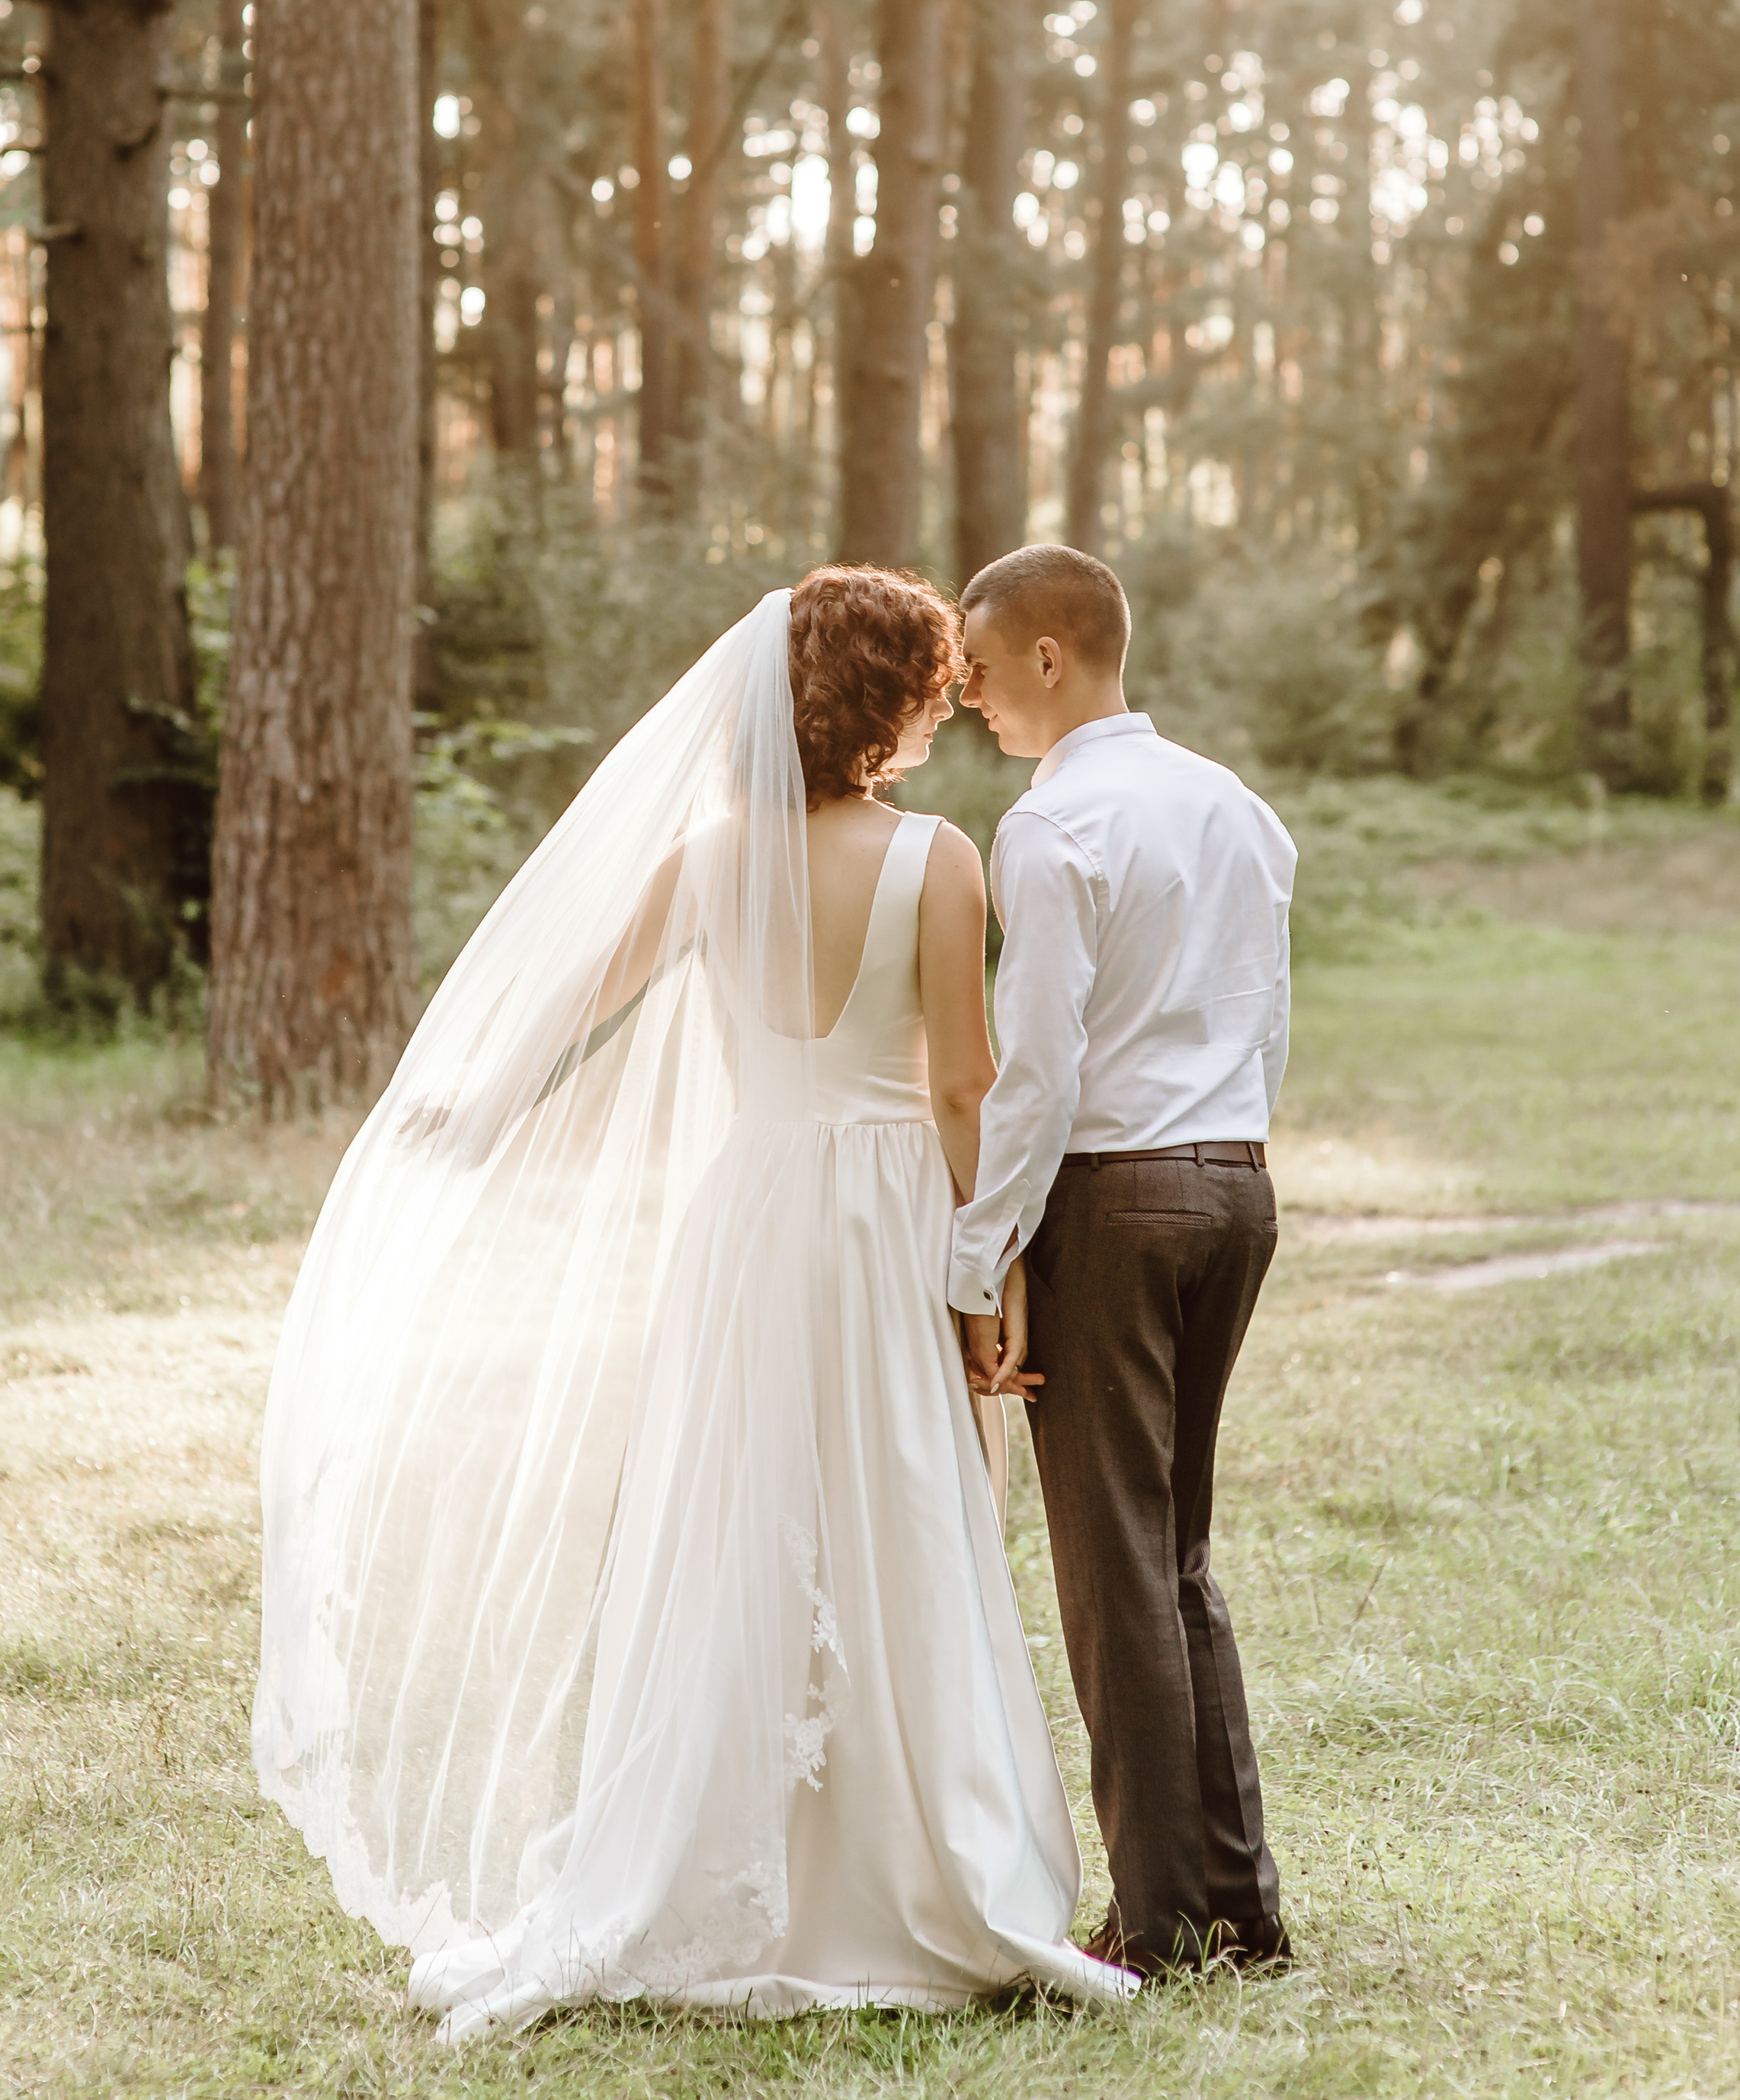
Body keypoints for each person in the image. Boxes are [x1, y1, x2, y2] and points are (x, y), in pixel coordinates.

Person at [254, 566, 1136, 2034]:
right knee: (899, 1498)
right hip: (888, 1216)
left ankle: (708, 1850)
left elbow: (575, 1005)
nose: (947, 704)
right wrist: (993, 1269)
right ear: (885, 701)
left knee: (740, 1509)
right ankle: (915, 1865)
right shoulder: (940, 860)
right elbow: (963, 1087)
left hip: (753, 1214)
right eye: (932, 684)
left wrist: (466, 1106)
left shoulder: (709, 861)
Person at [950, 542, 1296, 1983]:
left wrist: (979, 1255)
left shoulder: (1050, 827)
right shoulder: (1236, 804)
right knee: (1179, 1554)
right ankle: (1238, 1910)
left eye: (978, 668)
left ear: (1050, 656)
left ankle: (1157, 1924)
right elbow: (1266, 1015)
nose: (966, 695)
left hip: (1115, 1200)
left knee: (1114, 1572)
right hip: (1236, 1186)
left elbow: (1037, 1069)